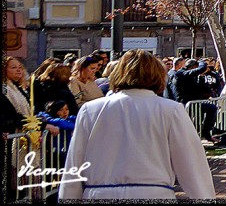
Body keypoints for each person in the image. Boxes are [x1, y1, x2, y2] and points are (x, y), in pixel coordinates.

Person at [57, 49, 215, 200]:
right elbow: (192, 164)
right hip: (152, 194)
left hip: (100, 194)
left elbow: (74, 163)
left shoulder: (91, 110)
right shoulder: (170, 110)